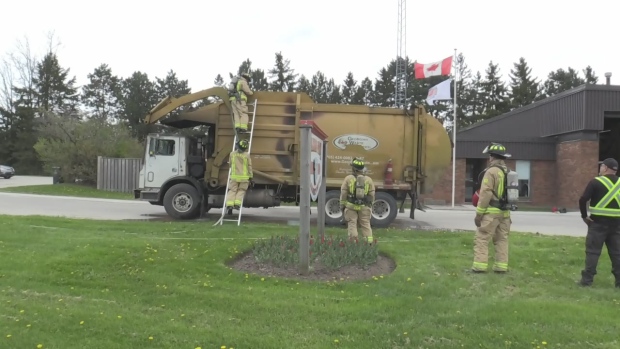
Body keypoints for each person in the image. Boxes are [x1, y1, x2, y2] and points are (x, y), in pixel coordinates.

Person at [577, 157, 620, 287]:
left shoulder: (595, 182)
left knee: (593, 252)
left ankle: (587, 281)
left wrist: (584, 216)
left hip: (597, 224)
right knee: (617, 253)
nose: (600, 169)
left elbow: (583, 199)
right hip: (617, 225)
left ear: (605, 168)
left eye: (601, 167)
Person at [472, 142, 513, 273]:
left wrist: (479, 214)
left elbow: (485, 194)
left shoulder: (491, 172)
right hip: (505, 213)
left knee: (482, 238)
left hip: (491, 213)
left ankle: (479, 267)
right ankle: (501, 268)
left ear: (492, 157)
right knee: (502, 239)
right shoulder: (508, 171)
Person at [339, 158, 376, 242]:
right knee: (366, 224)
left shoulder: (348, 178)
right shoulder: (369, 180)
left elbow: (344, 193)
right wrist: (370, 205)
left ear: (353, 169)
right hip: (364, 207)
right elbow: (372, 194)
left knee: (352, 223)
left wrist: (342, 205)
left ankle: (353, 243)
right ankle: (369, 243)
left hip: (351, 206)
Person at [225, 139, 254, 211]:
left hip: (234, 177)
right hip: (244, 178)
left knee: (232, 190)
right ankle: (237, 204)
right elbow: (249, 166)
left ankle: (229, 204)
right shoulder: (247, 155)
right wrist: (251, 177)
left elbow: (230, 165)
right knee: (241, 190)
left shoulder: (232, 154)